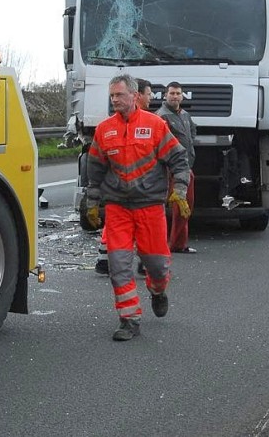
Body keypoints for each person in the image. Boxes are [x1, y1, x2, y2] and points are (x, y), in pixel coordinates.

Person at [86, 74, 190, 340]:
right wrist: (92, 202)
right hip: (118, 209)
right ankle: (129, 320)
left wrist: (179, 191)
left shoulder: (155, 125)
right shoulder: (104, 130)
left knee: (156, 264)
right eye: (111, 96)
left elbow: (179, 159)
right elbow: (95, 168)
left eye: (119, 95)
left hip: (150, 208)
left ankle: (158, 290)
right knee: (118, 265)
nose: (114, 100)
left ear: (134, 96)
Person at [94, 78, 154, 275]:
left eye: (118, 95)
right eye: (149, 93)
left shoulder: (153, 122)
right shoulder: (109, 127)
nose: (151, 97)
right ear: (138, 95)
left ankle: (112, 260)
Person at [156, 81, 197, 253]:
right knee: (178, 207)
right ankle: (174, 244)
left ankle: (178, 242)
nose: (175, 96)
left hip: (186, 165)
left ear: (182, 96)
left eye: (178, 93)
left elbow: (192, 132)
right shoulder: (161, 116)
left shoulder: (185, 115)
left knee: (185, 206)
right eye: (172, 93)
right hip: (172, 168)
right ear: (165, 95)